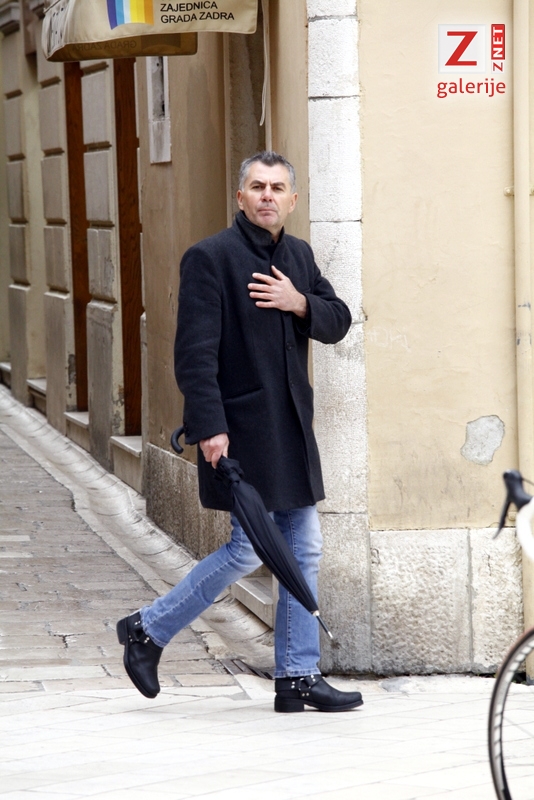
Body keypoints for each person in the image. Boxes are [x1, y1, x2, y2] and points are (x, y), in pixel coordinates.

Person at [117, 151, 363, 713]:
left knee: (302, 550)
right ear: (241, 196)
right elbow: (194, 355)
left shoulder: (299, 256)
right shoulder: (210, 258)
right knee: (249, 550)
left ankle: (297, 676)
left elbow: (338, 320)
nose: (267, 195)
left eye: (277, 187)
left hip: (292, 431)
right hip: (241, 432)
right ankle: (148, 628)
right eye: (257, 186)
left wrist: (299, 303)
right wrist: (210, 428)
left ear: (292, 200)